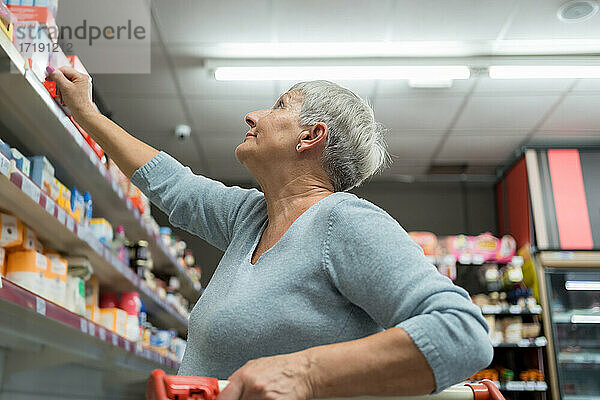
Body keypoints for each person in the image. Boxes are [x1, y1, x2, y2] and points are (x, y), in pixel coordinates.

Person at [46, 65, 493, 400]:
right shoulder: (251, 218)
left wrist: (304, 372)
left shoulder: (345, 223)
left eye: (279, 106)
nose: (253, 115)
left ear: (310, 136)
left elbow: (461, 333)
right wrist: (86, 112)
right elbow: (175, 187)